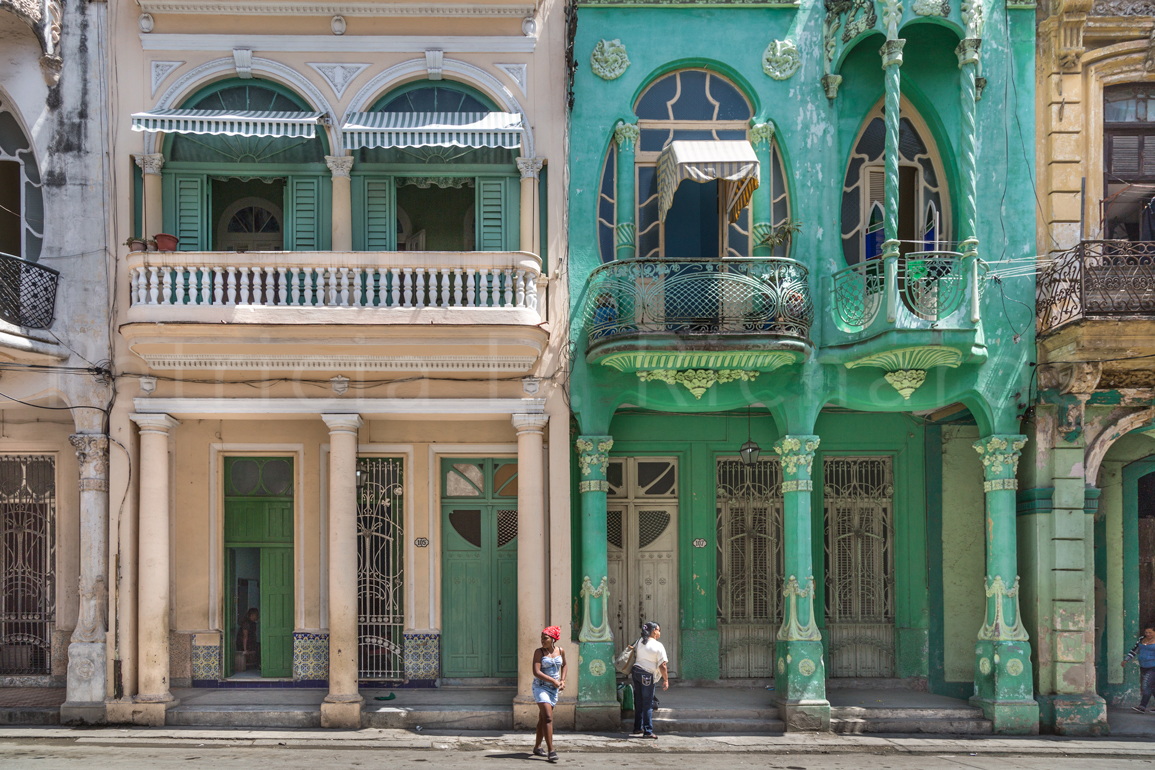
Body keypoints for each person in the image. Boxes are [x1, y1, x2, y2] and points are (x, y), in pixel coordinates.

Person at [532, 626, 567, 762]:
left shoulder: (560, 651)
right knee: (547, 717)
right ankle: (551, 751)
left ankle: (537, 747)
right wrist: (554, 680)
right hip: (540, 687)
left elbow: (564, 665)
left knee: (543, 718)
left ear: (553, 639)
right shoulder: (539, 652)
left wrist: (562, 680)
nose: (542, 640)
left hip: (553, 689)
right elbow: (536, 672)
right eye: (541, 638)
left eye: (545, 638)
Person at [630, 621, 668, 739]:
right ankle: (648, 731)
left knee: (639, 702)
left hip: (636, 672)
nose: (659, 632)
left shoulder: (639, 641)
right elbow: (663, 666)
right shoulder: (658, 645)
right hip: (646, 675)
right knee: (648, 704)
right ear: (654, 631)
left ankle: (637, 727)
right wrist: (666, 680)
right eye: (659, 630)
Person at [1122, 624, 1155, 712]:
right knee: (1152, 687)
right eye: (1146, 632)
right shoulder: (1141, 639)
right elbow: (1135, 650)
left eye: (1150, 633)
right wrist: (1126, 660)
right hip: (1143, 666)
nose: (1148, 634)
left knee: (1146, 685)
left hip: (1153, 667)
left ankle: (1142, 707)